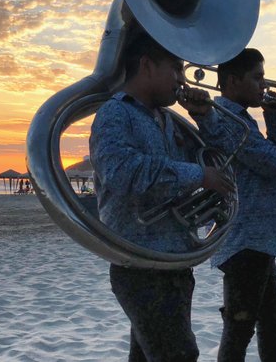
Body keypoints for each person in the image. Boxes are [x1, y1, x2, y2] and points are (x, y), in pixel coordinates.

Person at [89, 27, 233, 362]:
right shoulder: (115, 114)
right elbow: (123, 172)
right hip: (139, 266)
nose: (182, 80)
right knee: (179, 354)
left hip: (173, 263)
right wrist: (199, 175)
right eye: (176, 68)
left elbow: (221, 161)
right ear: (147, 65)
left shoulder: (168, 120)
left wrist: (205, 118)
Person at [191, 48, 276, 362]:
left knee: (271, 324)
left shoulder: (240, 120)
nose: (263, 85)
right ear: (231, 81)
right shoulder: (228, 122)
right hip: (246, 241)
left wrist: (275, 122)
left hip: (259, 239)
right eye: (257, 77)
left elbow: (274, 161)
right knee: (239, 331)